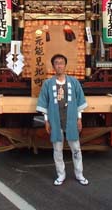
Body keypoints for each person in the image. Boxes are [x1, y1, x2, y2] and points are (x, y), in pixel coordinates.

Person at [36, 54, 89, 186]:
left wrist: (79, 118)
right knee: (57, 150)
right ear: (53, 66)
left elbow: (80, 101)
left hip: (71, 119)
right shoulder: (48, 84)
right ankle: (61, 174)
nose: (59, 65)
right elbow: (44, 102)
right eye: (56, 63)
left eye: (61, 63)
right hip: (55, 119)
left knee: (76, 148)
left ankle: (79, 174)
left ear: (65, 65)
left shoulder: (73, 82)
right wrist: (46, 121)